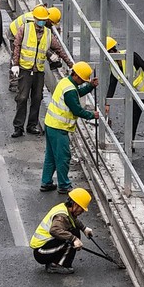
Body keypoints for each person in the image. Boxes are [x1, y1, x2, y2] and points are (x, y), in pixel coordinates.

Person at [11, 7, 75, 138]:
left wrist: (71, 65)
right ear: (35, 18)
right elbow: (17, 46)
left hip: (38, 71)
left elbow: (59, 50)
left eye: (43, 20)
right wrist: (15, 64)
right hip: (25, 69)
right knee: (22, 98)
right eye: (39, 19)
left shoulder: (48, 34)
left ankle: (32, 125)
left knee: (37, 98)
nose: (41, 22)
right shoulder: (25, 29)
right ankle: (18, 127)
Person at [40, 61, 100, 194]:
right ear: (76, 76)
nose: (82, 82)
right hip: (59, 128)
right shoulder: (70, 91)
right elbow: (77, 110)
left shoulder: (66, 82)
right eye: (82, 80)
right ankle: (64, 185)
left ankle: (46, 182)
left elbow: (77, 92)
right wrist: (92, 115)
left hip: (51, 124)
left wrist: (90, 86)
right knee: (63, 157)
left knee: (51, 156)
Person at [102, 37, 144, 143]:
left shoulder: (130, 55)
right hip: (135, 94)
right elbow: (112, 84)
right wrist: (107, 103)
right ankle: (130, 145)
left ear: (112, 51)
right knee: (133, 120)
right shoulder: (114, 66)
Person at [30, 188, 95, 274]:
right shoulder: (61, 216)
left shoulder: (64, 208)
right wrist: (74, 239)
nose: (82, 211)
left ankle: (55, 262)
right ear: (75, 205)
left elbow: (73, 220)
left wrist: (84, 228)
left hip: (44, 249)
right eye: (82, 208)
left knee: (74, 232)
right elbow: (54, 230)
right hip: (41, 253)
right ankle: (58, 265)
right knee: (70, 239)